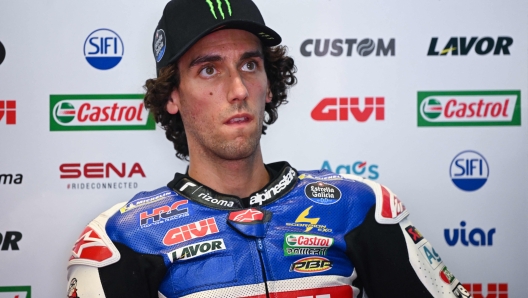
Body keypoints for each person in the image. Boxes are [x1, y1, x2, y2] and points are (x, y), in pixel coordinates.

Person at [66, 0, 472, 297]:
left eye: (249, 65)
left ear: (270, 83)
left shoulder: (360, 207)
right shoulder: (123, 239)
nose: (238, 90)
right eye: (209, 69)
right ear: (172, 95)